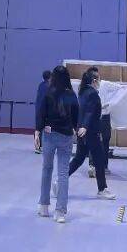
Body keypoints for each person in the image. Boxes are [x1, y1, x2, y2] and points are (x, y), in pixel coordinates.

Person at [36, 65, 79, 223]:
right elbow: (76, 116)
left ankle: (44, 206)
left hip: (49, 135)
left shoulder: (48, 92)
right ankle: (60, 211)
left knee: (47, 169)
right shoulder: (71, 94)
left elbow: (41, 113)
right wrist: (75, 128)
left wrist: (37, 132)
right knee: (63, 174)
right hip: (66, 136)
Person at [66, 68, 116, 200]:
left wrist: (81, 127)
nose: (100, 81)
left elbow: (86, 110)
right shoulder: (93, 94)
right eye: (99, 79)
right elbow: (89, 112)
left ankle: (61, 179)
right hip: (91, 132)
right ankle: (102, 189)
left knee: (78, 159)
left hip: (82, 131)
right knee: (99, 160)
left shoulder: (83, 92)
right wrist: (86, 126)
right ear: (94, 80)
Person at [33, 69, 50, 154]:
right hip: (46, 110)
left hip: (38, 109)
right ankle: (48, 147)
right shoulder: (50, 86)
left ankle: (37, 147)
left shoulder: (41, 85)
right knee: (48, 129)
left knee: (38, 129)